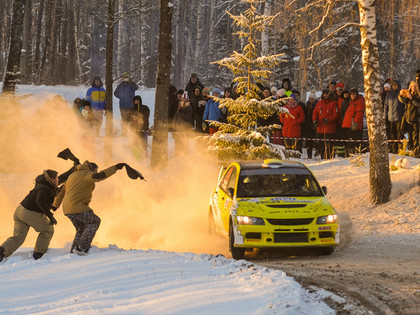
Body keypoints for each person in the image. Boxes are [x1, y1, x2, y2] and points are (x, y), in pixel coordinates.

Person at [0, 166, 77, 262]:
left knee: (18, 237)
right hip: (30, 213)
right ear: (52, 179)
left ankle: (2, 252)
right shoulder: (44, 189)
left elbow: (61, 178)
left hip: (20, 211)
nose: (58, 179)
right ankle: (38, 254)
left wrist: (73, 169)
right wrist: (50, 216)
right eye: (56, 178)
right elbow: (40, 201)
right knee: (48, 230)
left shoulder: (45, 183)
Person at [53, 161, 125, 255]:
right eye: (96, 170)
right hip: (77, 206)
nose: (96, 172)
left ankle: (74, 250)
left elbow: (62, 191)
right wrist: (115, 167)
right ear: (92, 169)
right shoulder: (87, 174)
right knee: (94, 221)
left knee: (81, 227)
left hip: (67, 209)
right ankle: (81, 248)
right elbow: (99, 176)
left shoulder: (72, 176)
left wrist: (55, 205)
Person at [312, 89, 340, 159]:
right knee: (321, 144)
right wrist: (315, 120)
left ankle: (329, 156)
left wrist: (328, 119)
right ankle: (322, 156)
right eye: (324, 94)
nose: (326, 95)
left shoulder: (333, 103)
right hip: (320, 127)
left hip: (330, 128)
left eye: (327, 94)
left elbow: (336, 114)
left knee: (329, 144)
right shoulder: (319, 103)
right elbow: (315, 112)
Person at [398, 81, 420, 157]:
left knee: (416, 137)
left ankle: (416, 152)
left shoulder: (418, 95)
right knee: (410, 137)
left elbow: (418, 104)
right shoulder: (408, 94)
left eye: (415, 86)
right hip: (408, 119)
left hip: (416, 119)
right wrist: (400, 95)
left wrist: (412, 98)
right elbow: (403, 101)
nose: (414, 88)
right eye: (412, 86)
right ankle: (411, 150)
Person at [341, 88, 366, 156]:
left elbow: (359, 114)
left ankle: (353, 155)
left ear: (356, 94)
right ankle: (349, 154)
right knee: (349, 142)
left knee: (353, 142)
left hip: (354, 126)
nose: (352, 95)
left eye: (353, 94)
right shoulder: (352, 102)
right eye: (351, 94)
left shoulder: (359, 102)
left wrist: (355, 124)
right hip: (348, 125)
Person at [384, 79, 404, 153]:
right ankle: (393, 150)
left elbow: (404, 105)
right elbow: (386, 106)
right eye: (392, 85)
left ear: (398, 86)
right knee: (392, 135)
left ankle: (400, 150)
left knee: (399, 135)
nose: (393, 86)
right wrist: (385, 117)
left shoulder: (401, 94)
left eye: (395, 85)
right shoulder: (389, 94)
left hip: (399, 118)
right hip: (390, 118)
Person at [172, 91, 194, 155]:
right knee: (177, 141)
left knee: (184, 141)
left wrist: (181, 111)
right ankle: (177, 153)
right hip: (178, 127)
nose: (183, 100)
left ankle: (185, 154)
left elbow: (188, 117)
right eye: (182, 99)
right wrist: (174, 124)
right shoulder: (180, 106)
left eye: (185, 99)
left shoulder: (189, 107)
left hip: (186, 128)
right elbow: (176, 116)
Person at [303, 91, 318, 158]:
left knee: (315, 141)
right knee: (308, 142)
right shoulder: (307, 105)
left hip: (314, 125)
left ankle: (317, 153)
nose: (311, 100)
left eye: (312, 99)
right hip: (308, 125)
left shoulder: (316, 105)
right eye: (310, 99)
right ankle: (309, 155)